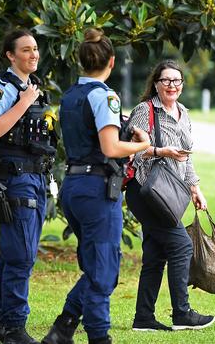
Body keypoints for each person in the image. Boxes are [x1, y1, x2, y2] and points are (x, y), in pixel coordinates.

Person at [41, 28, 150, 344]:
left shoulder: (71, 94)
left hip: (73, 185)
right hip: (97, 188)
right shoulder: (105, 96)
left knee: (99, 267)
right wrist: (140, 146)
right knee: (103, 270)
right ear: (111, 62)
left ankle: (62, 329)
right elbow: (110, 148)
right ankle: (99, 337)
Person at [0, 28, 57, 344]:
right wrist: (23, 102)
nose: (33, 54)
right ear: (11, 55)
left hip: (36, 178)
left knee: (14, 254)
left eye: (35, 48)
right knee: (21, 256)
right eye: (25, 50)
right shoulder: (2, 87)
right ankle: (14, 329)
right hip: (13, 180)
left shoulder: (35, 88)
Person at [124, 59, 215, 331]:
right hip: (145, 191)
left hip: (169, 194)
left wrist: (195, 188)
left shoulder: (183, 112)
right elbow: (132, 150)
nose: (172, 85)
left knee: (154, 254)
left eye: (177, 81)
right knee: (181, 245)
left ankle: (144, 318)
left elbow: (186, 158)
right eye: (166, 80)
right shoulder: (145, 110)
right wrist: (161, 152)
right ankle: (182, 314)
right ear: (156, 84)